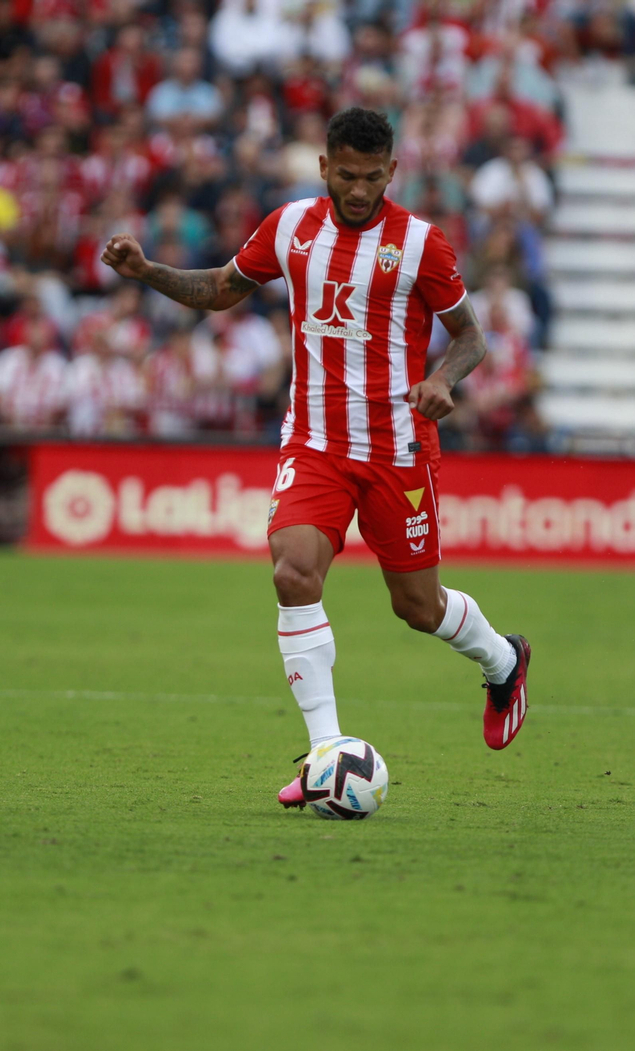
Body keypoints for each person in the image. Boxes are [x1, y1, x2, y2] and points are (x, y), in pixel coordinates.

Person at [100, 106, 531, 809]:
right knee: (293, 571)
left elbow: (471, 337)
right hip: (315, 443)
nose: (358, 191)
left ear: (392, 172)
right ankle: (326, 751)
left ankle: (504, 660)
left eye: (372, 178)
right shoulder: (290, 227)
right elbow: (219, 291)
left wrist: (442, 379)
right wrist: (147, 271)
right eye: (346, 176)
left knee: (417, 609)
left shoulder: (422, 244)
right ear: (323, 167)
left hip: (397, 447)